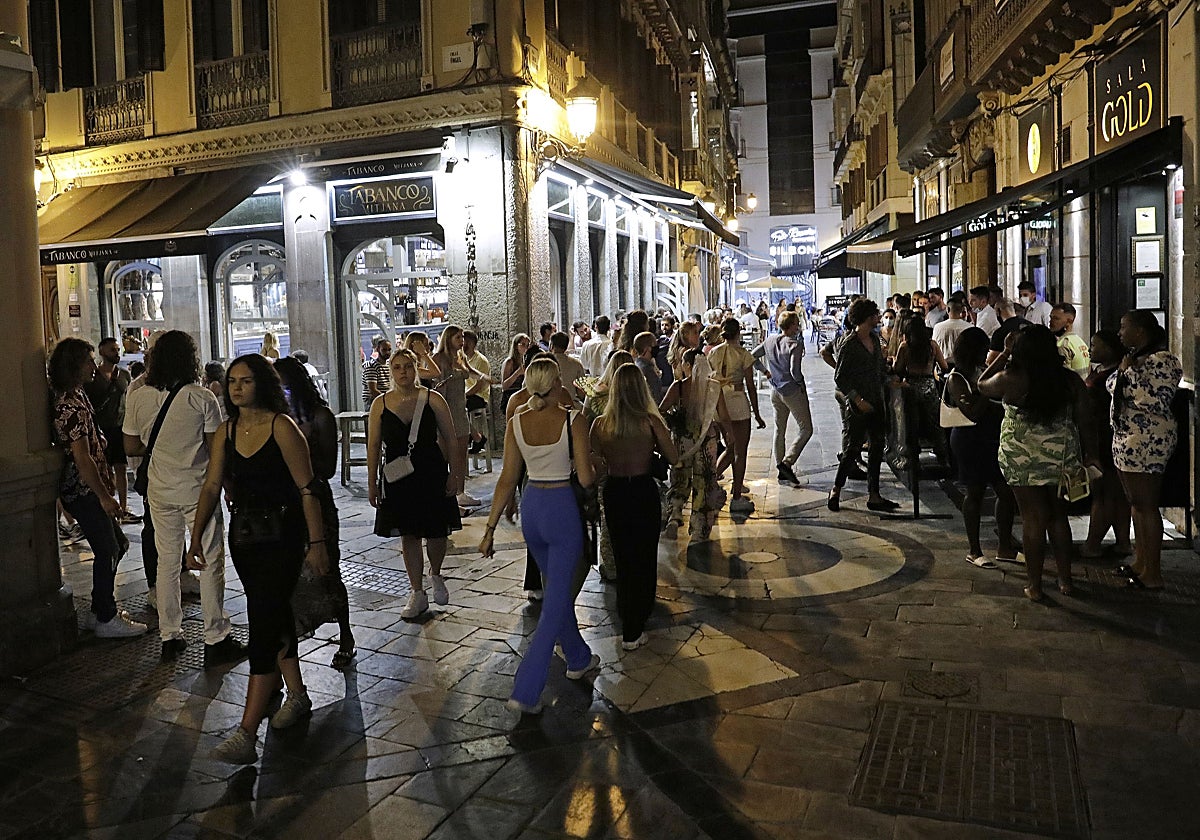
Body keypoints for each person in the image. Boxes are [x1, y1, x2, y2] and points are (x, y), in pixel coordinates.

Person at [190, 354, 330, 763]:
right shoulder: (227, 431)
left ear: (261, 384)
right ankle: (299, 695)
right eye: (232, 381)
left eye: (245, 381)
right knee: (271, 614)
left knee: (264, 627)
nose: (235, 388)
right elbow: (212, 485)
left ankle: (246, 732)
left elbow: (307, 488)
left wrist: (317, 544)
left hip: (283, 537)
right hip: (246, 538)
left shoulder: (281, 426)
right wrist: (195, 536)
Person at [478, 359, 598, 713]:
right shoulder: (572, 419)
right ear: (556, 383)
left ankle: (577, 657)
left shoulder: (517, 422)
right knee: (554, 603)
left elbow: (506, 480)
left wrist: (489, 529)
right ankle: (526, 688)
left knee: (556, 592)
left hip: (533, 508)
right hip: (561, 509)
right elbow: (587, 478)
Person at [123, 330, 243, 662]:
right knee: (210, 559)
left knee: (167, 562)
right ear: (189, 359)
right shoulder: (201, 397)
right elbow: (214, 449)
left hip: (159, 491)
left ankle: (170, 635)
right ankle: (215, 635)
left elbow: (131, 446)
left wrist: (160, 446)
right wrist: (229, 486)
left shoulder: (139, 397)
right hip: (198, 490)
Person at [979, 326, 1095, 601]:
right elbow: (1087, 421)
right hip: (1061, 458)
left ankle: (1035, 585)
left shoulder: (1011, 378)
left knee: (1032, 518)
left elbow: (982, 385)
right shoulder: (1069, 381)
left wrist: (1005, 351)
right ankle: (1066, 581)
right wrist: (1092, 455)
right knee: (1057, 517)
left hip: (1021, 458)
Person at [49, 338, 148, 640]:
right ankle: (105, 615)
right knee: (108, 548)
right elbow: (82, 457)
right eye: (88, 361)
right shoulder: (69, 405)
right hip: (83, 491)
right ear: (74, 367)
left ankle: (100, 609)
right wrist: (105, 497)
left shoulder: (77, 396)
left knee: (117, 544)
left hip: (88, 489)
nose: (93, 367)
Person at [367, 349, 462, 619]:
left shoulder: (432, 399)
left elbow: (451, 438)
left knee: (436, 531)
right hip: (398, 475)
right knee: (408, 533)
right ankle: (417, 590)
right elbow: (373, 445)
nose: (403, 372)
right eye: (397, 367)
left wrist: (455, 474)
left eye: (407, 366)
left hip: (430, 470)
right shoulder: (381, 405)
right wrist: (373, 482)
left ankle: (436, 572)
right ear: (390, 371)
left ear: (416, 368)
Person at [275, 357, 355, 669]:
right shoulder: (275, 417)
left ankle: (345, 634)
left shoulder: (320, 415)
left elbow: (329, 468)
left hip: (316, 499)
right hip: (284, 503)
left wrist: (297, 456)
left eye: (282, 385)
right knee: (289, 575)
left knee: (327, 569)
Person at [591, 364, 678, 649]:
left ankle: (627, 616)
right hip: (642, 490)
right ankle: (639, 616)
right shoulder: (650, 421)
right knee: (644, 555)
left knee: (623, 554)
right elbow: (674, 457)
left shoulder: (601, 425)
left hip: (615, 491)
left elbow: (597, 465)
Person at [1108, 310, 1183, 590]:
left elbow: (1154, 400)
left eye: (1124, 327)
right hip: (1127, 438)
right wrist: (1124, 372)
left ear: (1140, 331)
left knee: (1147, 505)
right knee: (1136, 504)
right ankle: (1141, 562)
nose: (1119, 333)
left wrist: (1128, 373)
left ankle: (1153, 572)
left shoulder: (1162, 360)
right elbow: (1113, 386)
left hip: (1148, 439)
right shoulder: (1134, 360)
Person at [944, 328, 1019, 567]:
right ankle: (974, 550)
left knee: (1005, 492)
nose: (986, 352)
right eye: (983, 348)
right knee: (974, 492)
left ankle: (1004, 546)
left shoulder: (979, 371)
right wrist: (987, 390)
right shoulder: (957, 378)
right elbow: (973, 412)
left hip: (990, 437)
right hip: (969, 439)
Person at [822, 299, 898, 512]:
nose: (879, 317)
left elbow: (879, 369)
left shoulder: (874, 338)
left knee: (876, 447)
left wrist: (889, 380)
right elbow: (841, 377)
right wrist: (857, 400)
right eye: (875, 314)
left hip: (876, 400)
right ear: (867, 317)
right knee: (852, 448)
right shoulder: (850, 343)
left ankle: (874, 495)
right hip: (858, 405)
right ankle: (836, 489)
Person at [660, 348, 725, 540]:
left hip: (682, 438)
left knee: (680, 478)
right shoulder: (713, 387)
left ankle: (675, 515)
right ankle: (699, 528)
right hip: (706, 441)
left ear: (688, 365)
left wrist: (673, 422)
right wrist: (728, 435)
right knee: (703, 481)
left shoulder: (678, 387)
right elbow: (723, 416)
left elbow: (662, 410)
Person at [1080, 329, 1131, 560]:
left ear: (1109, 349)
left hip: (1104, 438)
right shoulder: (1101, 371)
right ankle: (1122, 542)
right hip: (1104, 437)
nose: (1090, 349)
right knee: (1117, 494)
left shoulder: (1113, 376)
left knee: (1105, 494)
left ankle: (1092, 544)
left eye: (1094, 345)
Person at [709, 318, 764, 512]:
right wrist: (757, 413)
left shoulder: (713, 353)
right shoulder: (743, 354)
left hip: (719, 402)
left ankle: (712, 481)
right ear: (738, 333)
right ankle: (737, 496)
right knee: (740, 450)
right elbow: (750, 386)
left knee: (729, 446)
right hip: (738, 401)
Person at [752, 311, 813, 487]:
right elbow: (795, 371)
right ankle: (787, 462)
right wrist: (801, 383)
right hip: (792, 392)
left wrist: (766, 372)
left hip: (775, 389)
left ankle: (780, 468)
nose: (798, 326)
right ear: (791, 325)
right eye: (796, 323)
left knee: (780, 429)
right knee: (806, 429)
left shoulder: (770, 340)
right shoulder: (795, 344)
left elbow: (753, 357)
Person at [83, 337, 137, 523]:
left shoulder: (124, 375)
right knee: (104, 468)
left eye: (117, 349)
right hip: (100, 428)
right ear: (102, 352)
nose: (116, 353)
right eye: (112, 350)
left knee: (121, 467)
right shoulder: (92, 377)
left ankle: (123, 507)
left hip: (120, 427)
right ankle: (107, 503)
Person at [431, 325, 484, 508]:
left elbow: (471, 373)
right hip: (447, 411)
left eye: (462, 337)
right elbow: (439, 389)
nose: (462, 341)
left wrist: (484, 378)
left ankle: (460, 492)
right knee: (447, 456)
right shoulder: (439, 359)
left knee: (462, 454)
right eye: (458, 338)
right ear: (448, 339)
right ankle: (447, 493)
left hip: (461, 410)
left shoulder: (460, 357)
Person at [462, 329, 492, 453]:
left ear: (472, 343)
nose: (462, 344)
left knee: (458, 407)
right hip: (468, 395)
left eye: (464, 341)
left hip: (479, 397)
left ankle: (473, 436)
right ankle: (471, 435)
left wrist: (463, 395)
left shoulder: (481, 361)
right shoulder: (463, 360)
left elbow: (478, 386)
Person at [1050, 303, 1091, 377]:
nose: (1051, 321)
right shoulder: (1079, 341)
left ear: (1069, 321)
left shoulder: (1062, 345)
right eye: (1051, 317)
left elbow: (1062, 377)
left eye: (1056, 318)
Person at [550, 331, 587, 401]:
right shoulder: (576, 364)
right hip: (571, 404)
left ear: (552, 345)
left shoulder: (545, 362)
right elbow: (581, 393)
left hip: (548, 406)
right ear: (566, 347)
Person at [932, 300, 971, 365]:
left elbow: (935, 348)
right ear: (961, 310)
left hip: (942, 365)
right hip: (963, 365)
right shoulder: (970, 327)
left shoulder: (938, 327)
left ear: (948, 309)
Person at [500, 333, 531, 412]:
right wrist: (517, 373)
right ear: (516, 346)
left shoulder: (525, 361)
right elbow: (504, 386)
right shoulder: (510, 362)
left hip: (522, 395)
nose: (526, 348)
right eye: (523, 344)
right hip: (510, 396)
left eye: (527, 345)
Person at [631, 331, 664, 404]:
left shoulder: (638, 364)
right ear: (648, 348)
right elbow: (655, 396)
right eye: (655, 344)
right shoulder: (647, 369)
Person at [361, 338, 392, 404]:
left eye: (389, 350)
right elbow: (373, 391)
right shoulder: (371, 366)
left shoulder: (389, 365)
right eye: (384, 350)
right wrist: (387, 400)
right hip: (373, 401)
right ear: (378, 349)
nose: (387, 352)